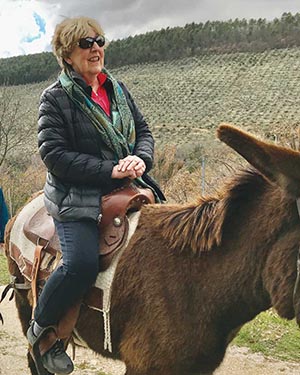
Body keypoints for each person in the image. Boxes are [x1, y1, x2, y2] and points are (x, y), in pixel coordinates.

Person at [27, 16, 165, 374]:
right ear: (67, 55)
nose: (96, 48)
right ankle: (42, 328)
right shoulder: (54, 99)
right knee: (81, 264)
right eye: (85, 43)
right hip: (76, 194)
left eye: (99, 41)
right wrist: (110, 169)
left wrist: (140, 157)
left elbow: (144, 131)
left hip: (127, 187)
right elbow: (54, 156)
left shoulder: (117, 90)